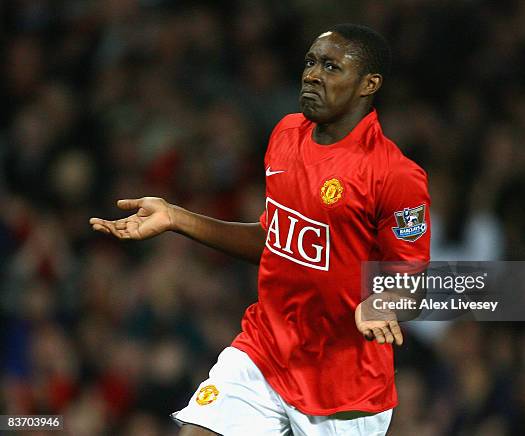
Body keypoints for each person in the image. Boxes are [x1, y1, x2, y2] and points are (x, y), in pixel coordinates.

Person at [90, 23, 430, 436]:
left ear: (368, 84)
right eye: (310, 62)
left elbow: (413, 278)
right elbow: (275, 241)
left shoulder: (394, 174)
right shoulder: (286, 135)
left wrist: (384, 302)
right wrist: (178, 218)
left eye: (331, 67)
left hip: (344, 387)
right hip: (265, 352)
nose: (312, 75)